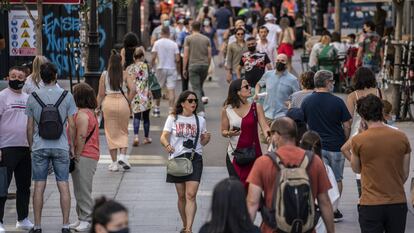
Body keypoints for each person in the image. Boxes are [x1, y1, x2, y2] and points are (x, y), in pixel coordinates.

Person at [246, 117, 335, 233]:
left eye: (271, 134)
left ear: (276, 135)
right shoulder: (314, 161)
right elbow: (325, 202)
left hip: (273, 229)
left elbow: (252, 202)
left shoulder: (263, 162)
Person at [26, 62, 77, 233]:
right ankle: (65, 225)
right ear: (55, 76)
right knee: (63, 184)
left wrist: (31, 146)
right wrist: (72, 147)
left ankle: (38, 225)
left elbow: (29, 126)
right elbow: (72, 125)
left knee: (39, 185)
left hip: (40, 146)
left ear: (41, 76)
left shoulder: (33, 96)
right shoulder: (66, 95)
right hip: (61, 146)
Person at [351, 94, 411, 233]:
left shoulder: (359, 140)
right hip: (397, 201)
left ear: (363, 116)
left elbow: (356, 168)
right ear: (381, 111)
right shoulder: (401, 137)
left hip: (370, 203)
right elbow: (405, 173)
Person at [301, 70, 352, 222]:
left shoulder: (307, 102)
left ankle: (317, 206)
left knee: (316, 177)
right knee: (337, 178)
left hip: (315, 147)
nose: (333, 84)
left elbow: (303, 123)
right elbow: (347, 124)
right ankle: (334, 209)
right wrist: (345, 139)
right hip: (336, 145)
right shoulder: (337, 102)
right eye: (332, 82)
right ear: (328, 82)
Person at [160, 91, 211, 233]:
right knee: (181, 196)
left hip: (195, 158)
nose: (194, 103)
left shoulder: (200, 120)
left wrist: (207, 138)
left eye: (195, 100)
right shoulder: (173, 118)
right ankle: (184, 224)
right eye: (190, 101)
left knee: (191, 195)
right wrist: (167, 145)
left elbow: (203, 142)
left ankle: (188, 229)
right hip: (177, 159)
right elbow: (163, 136)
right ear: (182, 103)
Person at [0, 66, 33, 232]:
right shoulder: (2, 97)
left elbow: (31, 125)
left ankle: (23, 218)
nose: (16, 79)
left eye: (20, 77)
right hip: (6, 148)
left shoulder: (28, 98)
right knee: (1, 187)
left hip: (25, 148)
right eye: (13, 76)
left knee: (24, 186)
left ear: (25, 79)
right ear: (8, 77)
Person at [341, 67, 382, 195]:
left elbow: (349, 120)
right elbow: (384, 113)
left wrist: (347, 136)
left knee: (356, 155)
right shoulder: (378, 92)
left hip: (360, 131)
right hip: (377, 129)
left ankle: (362, 187)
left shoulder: (353, 96)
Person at [221, 79, 270, 186]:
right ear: (238, 92)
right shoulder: (227, 109)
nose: (250, 88)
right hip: (235, 156)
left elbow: (265, 127)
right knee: (238, 190)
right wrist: (229, 133)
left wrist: (270, 137)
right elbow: (223, 131)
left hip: (254, 154)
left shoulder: (256, 107)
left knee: (254, 189)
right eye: (246, 87)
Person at [69, 83, 100, 232]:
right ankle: (81, 217)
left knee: (83, 190)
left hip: (85, 155)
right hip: (89, 154)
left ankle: (87, 219)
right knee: (79, 189)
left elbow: (81, 136)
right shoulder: (88, 112)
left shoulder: (82, 115)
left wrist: (77, 155)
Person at [97, 51, 134, 172]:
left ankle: (114, 163)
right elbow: (133, 89)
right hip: (122, 103)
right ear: (121, 62)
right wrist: (128, 100)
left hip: (108, 103)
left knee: (110, 132)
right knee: (123, 130)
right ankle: (123, 156)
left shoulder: (104, 75)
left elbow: (101, 94)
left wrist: (96, 107)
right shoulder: (125, 74)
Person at [300, 131, 340, 233]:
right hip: (319, 220)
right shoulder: (325, 169)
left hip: (297, 219)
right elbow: (333, 199)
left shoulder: (293, 166)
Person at [255, 54, 299, 124]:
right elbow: (258, 84)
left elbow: (297, 97)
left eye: (282, 61)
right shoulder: (268, 74)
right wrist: (257, 93)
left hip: (283, 116)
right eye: (278, 60)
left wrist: (291, 103)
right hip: (266, 115)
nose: (279, 62)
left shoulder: (293, 79)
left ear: (286, 63)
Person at [183, 21, 212, 117]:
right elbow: (209, 55)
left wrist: (184, 68)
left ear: (191, 27)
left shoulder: (188, 39)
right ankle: (200, 107)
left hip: (193, 65)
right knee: (199, 87)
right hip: (204, 65)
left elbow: (186, 55)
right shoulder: (206, 39)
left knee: (196, 89)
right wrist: (208, 66)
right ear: (200, 28)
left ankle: (200, 111)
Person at [151, 26, 180, 117]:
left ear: (161, 33)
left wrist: (152, 67)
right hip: (171, 68)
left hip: (160, 68)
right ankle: (171, 110)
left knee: (158, 89)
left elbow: (153, 57)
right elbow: (178, 59)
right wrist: (178, 70)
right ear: (169, 33)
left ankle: (157, 109)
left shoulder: (157, 43)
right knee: (171, 90)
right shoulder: (174, 44)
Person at [127, 48, 153, 146]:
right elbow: (151, 79)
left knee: (136, 117)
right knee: (146, 117)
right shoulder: (147, 66)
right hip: (146, 94)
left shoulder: (130, 68)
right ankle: (146, 138)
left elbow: (129, 83)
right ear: (142, 57)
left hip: (136, 95)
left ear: (134, 58)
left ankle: (136, 136)